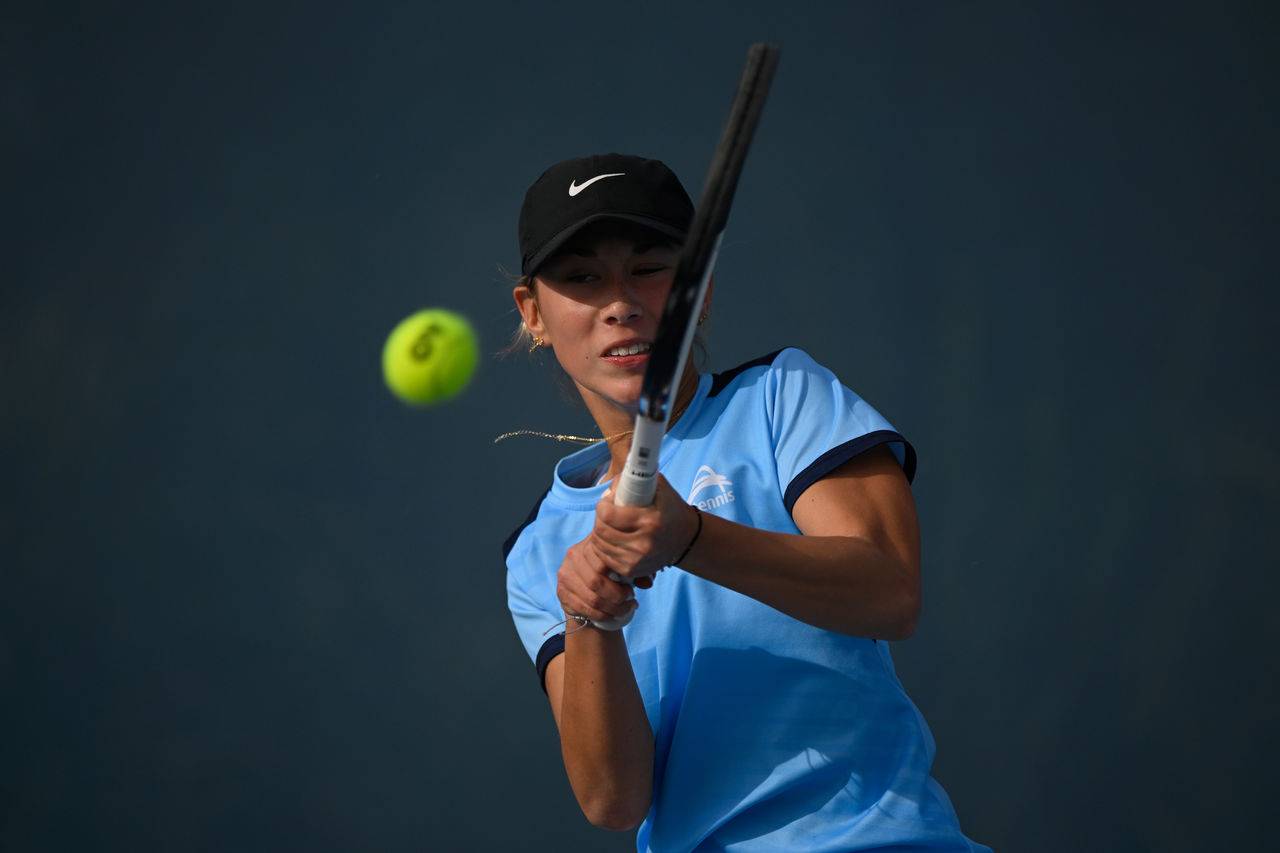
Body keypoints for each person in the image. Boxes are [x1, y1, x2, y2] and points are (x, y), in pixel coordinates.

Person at [503, 152, 990, 852]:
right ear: (534, 313)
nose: (620, 302)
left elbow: (891, 590)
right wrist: (590, 620)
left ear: (699, 289)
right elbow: (613, 798)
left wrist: (692, 537)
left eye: (649, 266)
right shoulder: (537, 552)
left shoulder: (783, 397)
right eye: (582, 278)